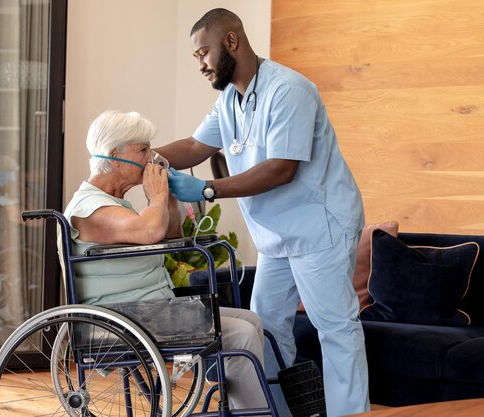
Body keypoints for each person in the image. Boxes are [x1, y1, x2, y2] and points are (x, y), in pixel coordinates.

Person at [156, 8, 370, 417]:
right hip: (276, 237)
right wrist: (138, 159)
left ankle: (352, 413)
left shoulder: (289, 90)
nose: (200, 65)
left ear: (231, 41)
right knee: (266, 329)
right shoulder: (230, 100)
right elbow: (195, 146)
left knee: (336, 329)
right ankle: (272, 412)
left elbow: (281, 169)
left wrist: (207, 187)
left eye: (203, 53)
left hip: (318, 227)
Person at [63, 110, 268, 410]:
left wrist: (167, 195)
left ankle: (243, 408)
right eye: (143, 150)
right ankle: (255, 413)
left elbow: (169, 233)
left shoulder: (112, 203)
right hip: (126, 319)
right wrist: (156, 197)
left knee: (250, 320)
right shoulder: (89, 207)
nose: (152, 157)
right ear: (114, 156)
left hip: (146, 309)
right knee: (242, 335)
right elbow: (150, 231)